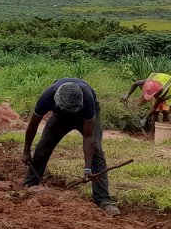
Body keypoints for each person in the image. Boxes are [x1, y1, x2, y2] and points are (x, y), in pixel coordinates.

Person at [21, 78, 120, 216]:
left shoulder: (87, 100)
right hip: (60, 118)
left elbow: (88, 136)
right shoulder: (48, 96)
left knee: (96, 150)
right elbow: (33, 125)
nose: (71, 114)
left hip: (84, 118)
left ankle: (103, 199)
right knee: (43, 146)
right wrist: (26, 151)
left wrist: (87, 167)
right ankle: (30, 185)